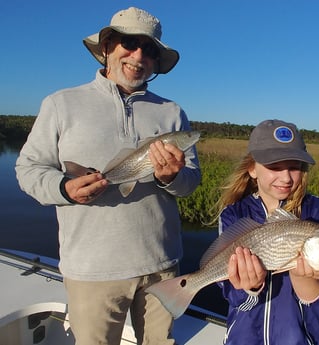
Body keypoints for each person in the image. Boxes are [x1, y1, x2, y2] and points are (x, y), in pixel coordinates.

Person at [15, 7, 200, 345]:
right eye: (129, 43)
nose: (139, 55)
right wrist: (64, 188)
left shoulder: (173, 113)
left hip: (162, 265)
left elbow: (190, 183)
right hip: (91, 271)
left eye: (150, 50)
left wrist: (172, 177)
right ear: (107, 46)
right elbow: (28, 169)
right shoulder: (60, 104)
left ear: (157, 60)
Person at [214, 119, 319, 345]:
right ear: (252, 169)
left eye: (294, 167)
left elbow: (315, 298)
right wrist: (250, 287)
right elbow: (234, 298)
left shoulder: (317, 211)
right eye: (274, 167)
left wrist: (303, 278)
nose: (286, 177)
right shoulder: (234, 213)